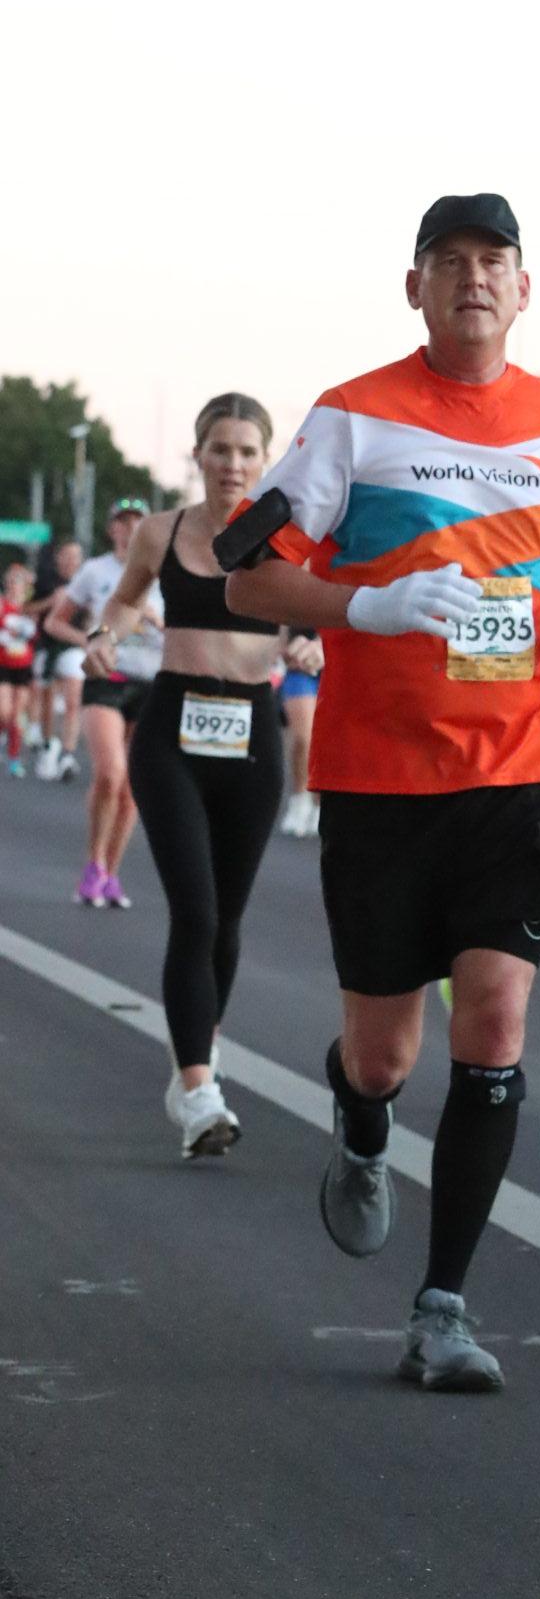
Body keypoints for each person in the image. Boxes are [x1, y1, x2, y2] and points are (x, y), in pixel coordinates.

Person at [222, 193, 540, 1388]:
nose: (474, 278)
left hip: (525, 772)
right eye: (449, 261)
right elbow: (247, 578)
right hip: (382, 776)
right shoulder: (351, 418)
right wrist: (367, 603)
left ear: (525, 289)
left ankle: (442, 1308)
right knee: (382, 1058)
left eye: (494, 261)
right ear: (414, 287)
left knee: (497, 1020)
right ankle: (362, 1125)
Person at [89, 397, 303, 1155]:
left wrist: (311, 643)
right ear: (198, 454)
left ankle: (195, 1060)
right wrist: (105, 635)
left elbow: (314, 618)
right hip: (172, 732)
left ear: (265, 459)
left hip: (252, 735)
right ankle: (200, 1091)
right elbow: (125, 599)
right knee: (197, 913)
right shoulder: (163, 530)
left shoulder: (288, 536)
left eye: (247, 451)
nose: (232, 464)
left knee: (228, 921)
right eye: (220, 449)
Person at [45, 500, 162, 905]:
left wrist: (156, 620)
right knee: (110, 772)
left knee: (131, 787)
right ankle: (93, 863)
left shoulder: (164, 572)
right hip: (106, 679)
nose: (130, 529)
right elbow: (55, 621)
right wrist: (92, 641)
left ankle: (111, 872)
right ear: (112, 529)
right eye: (122, 522)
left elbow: (186, 631)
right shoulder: (96, 571)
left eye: (137, 522)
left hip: (151, 682)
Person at [28, 540, 85, 780]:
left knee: (73, 701)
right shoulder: (44, 581)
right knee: (48, 701)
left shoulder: (85, 582)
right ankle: (48, 744)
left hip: (73, 646)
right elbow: (23, 608)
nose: (71, 560)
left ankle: (68, 754)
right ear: (58, 557)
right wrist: (50, 601)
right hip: (47, 647)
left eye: (76, 556)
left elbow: (97, 614)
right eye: (67, 555)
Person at [277, 641, 324, 836]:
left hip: (337, 666)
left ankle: (320, 804)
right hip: (300, 668)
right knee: (303, 738)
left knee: (327, 743)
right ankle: (300, 798)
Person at [0, 560, 36, 771]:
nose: (14, 586)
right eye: (12, 582)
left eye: (18, 582)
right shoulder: (2, 605)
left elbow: (35, 637)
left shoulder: (30, 610)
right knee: (4, 711)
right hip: (3, 665)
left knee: (16, 716)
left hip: (23, 666)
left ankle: (14, 758)